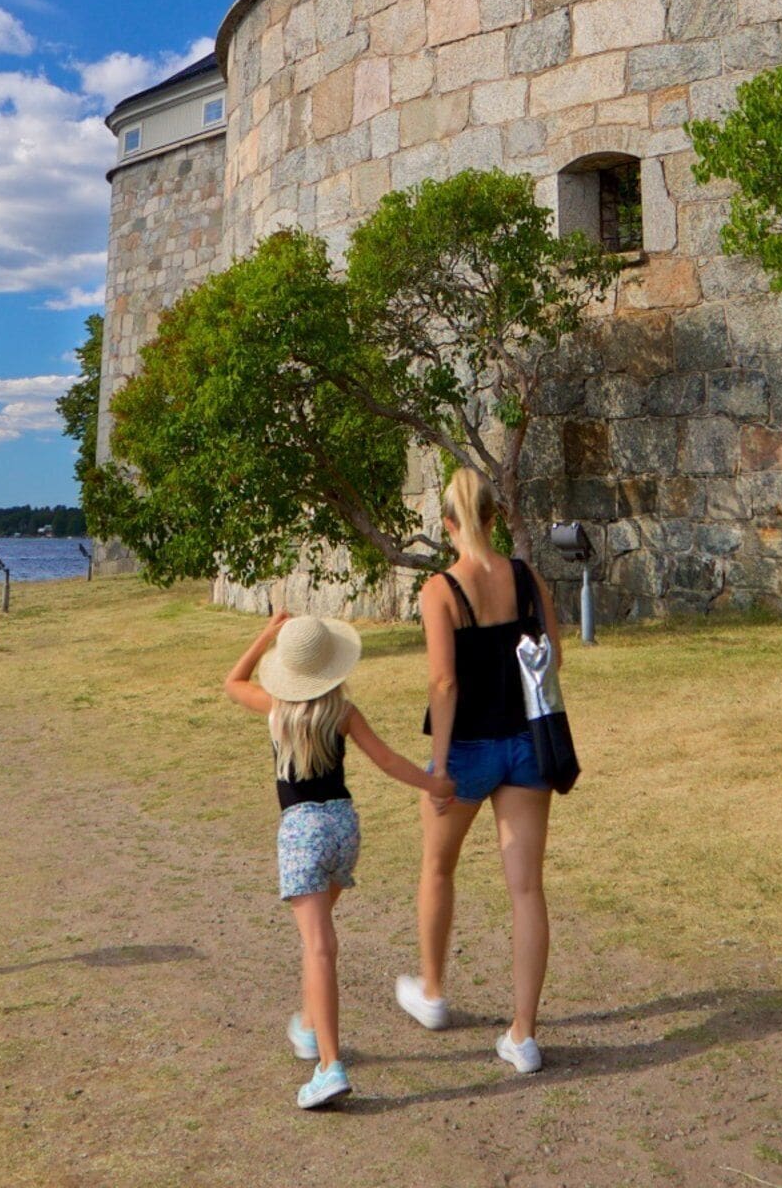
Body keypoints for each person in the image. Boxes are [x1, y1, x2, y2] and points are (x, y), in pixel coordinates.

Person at [223, 610, 438, 1110]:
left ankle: (329, 1066)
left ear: (288, 668)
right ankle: (306, 1024)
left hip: (301, 830)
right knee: (314, 939)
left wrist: (265, 636)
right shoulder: (343, 712)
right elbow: (387, 761)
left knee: (319, 946)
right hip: (344, 827)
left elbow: (232, 682)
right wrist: (434, 784)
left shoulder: (277, 708)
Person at [398, 467, 559, 1075]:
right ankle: (523, 1035)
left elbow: (444, 681)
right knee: (526, 890)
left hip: (465, 747)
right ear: (492, 516)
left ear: (447, 525)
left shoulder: (440, 590)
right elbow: (553, 657)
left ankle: (434, 992)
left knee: (438, 867)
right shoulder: (525, 576)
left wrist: (439, 761)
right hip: (525, 743)